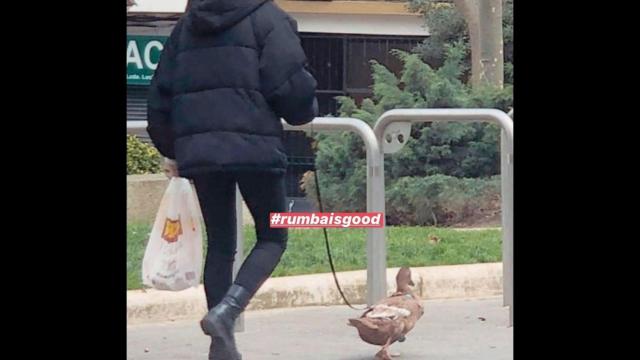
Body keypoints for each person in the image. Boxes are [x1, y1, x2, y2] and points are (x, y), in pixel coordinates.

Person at [146, 0, 318, 359]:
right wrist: (306, 111)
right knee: (273, 237)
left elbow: (160, 94)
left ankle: (220, 347)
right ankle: (226, 313)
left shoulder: (186, 26)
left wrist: (173, 148)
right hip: (256, 149)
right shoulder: (268, 18)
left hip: (203, 153)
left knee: (222, 245)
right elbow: (291, 89)